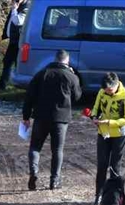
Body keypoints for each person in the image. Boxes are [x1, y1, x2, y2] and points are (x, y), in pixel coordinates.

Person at [22, 49, 82, 191]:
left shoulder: (41, 74)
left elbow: (29, 97)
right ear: (67, 61)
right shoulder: (71, 76)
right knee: (57, 150)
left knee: (35, 147)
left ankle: (33, 172)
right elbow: (77, 97)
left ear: (55, 59)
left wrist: (26, 117)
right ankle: (54, 180)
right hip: (61, 119)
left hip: (41, 117)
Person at [88, 72, 125, 205]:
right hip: (103, 132)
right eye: (105, 90)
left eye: (110, 90)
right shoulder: (102, 92)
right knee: (102, 165)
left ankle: (115, 197)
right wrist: (94, 117)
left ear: (117, 84)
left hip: (119, 134)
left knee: (115, 166)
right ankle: (98, 196)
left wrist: (110, 122)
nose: (107, 92)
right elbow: (96, 108)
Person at [0, 0, 25, 91]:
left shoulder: (26, 7)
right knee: (8, 61)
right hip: (14, 40)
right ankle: (3, 84)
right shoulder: (18, 5)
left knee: (15, 62)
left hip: (19, 41)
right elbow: (10, 20)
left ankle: (13, 84)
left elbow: (18, 21)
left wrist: (14, 9)